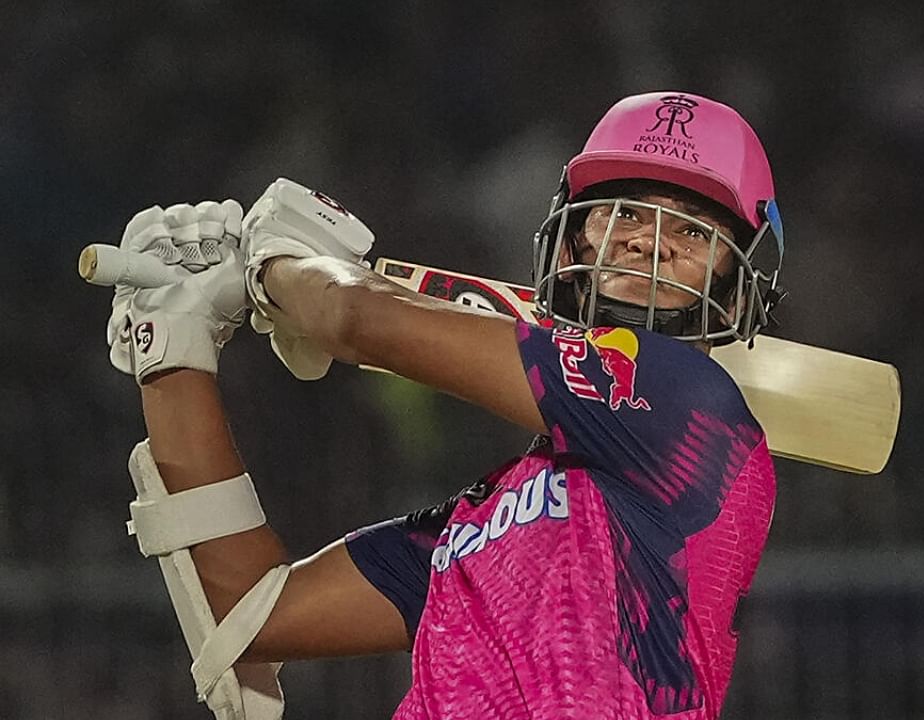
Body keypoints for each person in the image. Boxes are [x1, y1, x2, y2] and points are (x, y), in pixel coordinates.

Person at [105, 90, 785, 719]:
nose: (646, 241)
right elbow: (256, 616)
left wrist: (272, 261)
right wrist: (174, 348)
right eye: (627, 211)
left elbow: (358, 319)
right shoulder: (494, 513)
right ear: (574, 236)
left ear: (737, 280)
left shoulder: (688, 402)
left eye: (692, 232)